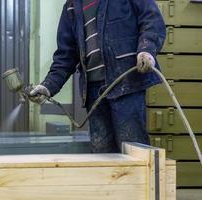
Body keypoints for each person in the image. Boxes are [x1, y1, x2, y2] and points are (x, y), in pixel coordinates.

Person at [30, 0, 166, 153]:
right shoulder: (71, 7)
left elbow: (151, 19)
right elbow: (65, 55)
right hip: (94, 92)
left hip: (125, 83)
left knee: (133, 150)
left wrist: (147, 49)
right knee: (102, 151)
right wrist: (48, 86)